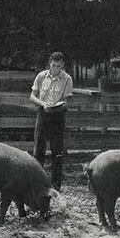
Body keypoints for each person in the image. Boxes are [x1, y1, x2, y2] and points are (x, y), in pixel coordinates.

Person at [30, 52, 73, 191]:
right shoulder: (41, 76)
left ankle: (55, 186)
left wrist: (57, 107)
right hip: (42, 114)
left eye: (58, 66)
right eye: (53, 65)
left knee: (57, 153)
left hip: (57, 116)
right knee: (38, 151)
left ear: (62, 65)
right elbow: (32, 96)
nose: (55, 69)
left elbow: (67, 102)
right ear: (50, 63)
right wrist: (43, 104)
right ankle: (36, 183)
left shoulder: (67, 79)